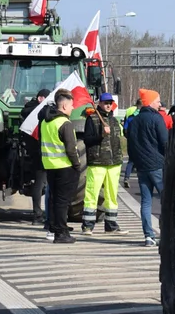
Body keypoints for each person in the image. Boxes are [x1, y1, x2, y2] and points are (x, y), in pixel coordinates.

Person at [127, 88, 168, 247]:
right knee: (166, 199)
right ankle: (166, 233)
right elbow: (165, 142)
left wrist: (136, 162)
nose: (160, 104)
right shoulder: (156, 119)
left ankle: (148, 236)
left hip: (142, 167)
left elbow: (131, 145)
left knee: (146, 202)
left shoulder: (134, 121)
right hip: (157, 165)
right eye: (158, 101)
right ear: (151, 102)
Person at [40, 88, 82, 244]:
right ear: (64, 106)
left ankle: (55, 228)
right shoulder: (65, 123)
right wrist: (77, 165)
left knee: (54, 199)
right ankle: (61, 233)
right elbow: (71, 149)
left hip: (50, 166)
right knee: (62, 201)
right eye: (71, 105)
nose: (72, 108)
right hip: (65, 167)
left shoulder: (45, 121)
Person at [82, 92, 126, 235]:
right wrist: (101, 135)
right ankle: (88, 226)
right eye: (106, 103)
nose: (108, 105)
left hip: (114, 163)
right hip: (98, 162)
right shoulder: (92, 119)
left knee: (112, 195)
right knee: (92, 194)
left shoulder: (114, 120)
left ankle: (111, 225)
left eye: (110, 103)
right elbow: (87, 140)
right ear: (100, 103)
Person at [20, 88, 51, 224]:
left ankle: (38, 215)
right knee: (47, 184)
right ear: (40, 99)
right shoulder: (43, 113)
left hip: (34, 151)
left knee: (39, 183)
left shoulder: (27, 111)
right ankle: (47, 216)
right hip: (44, 153)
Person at [121, 98, 141, 188]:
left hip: (131, 141)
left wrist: (128, 137)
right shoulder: (142, 117)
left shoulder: (131, 116)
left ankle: (126, 178)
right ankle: (142, 181)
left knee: (131, 161)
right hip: (141, 142)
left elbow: (125, 129)